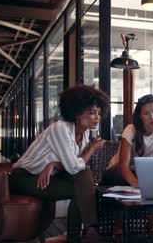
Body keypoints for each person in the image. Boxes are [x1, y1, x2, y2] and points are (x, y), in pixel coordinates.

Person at [9, 85, 109, 243]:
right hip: (22, 177)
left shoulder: (84, 134)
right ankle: (87, 232)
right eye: (91, 113)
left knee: (82, 181)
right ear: (77, 113)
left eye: (98, 112)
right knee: (81, 186)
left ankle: (86, 232)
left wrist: (54, 165)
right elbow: (73, 166)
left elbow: (72, 166)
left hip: (45, 176)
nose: (97, 117)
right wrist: (92, 149)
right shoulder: (60, 128)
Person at [105, 94, 153, 187]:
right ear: (140, 117)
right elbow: (123, 165)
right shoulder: (130, 130)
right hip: (119, 171)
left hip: (144, 170)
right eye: (146, 113)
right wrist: (137, 184)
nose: (152, 117)